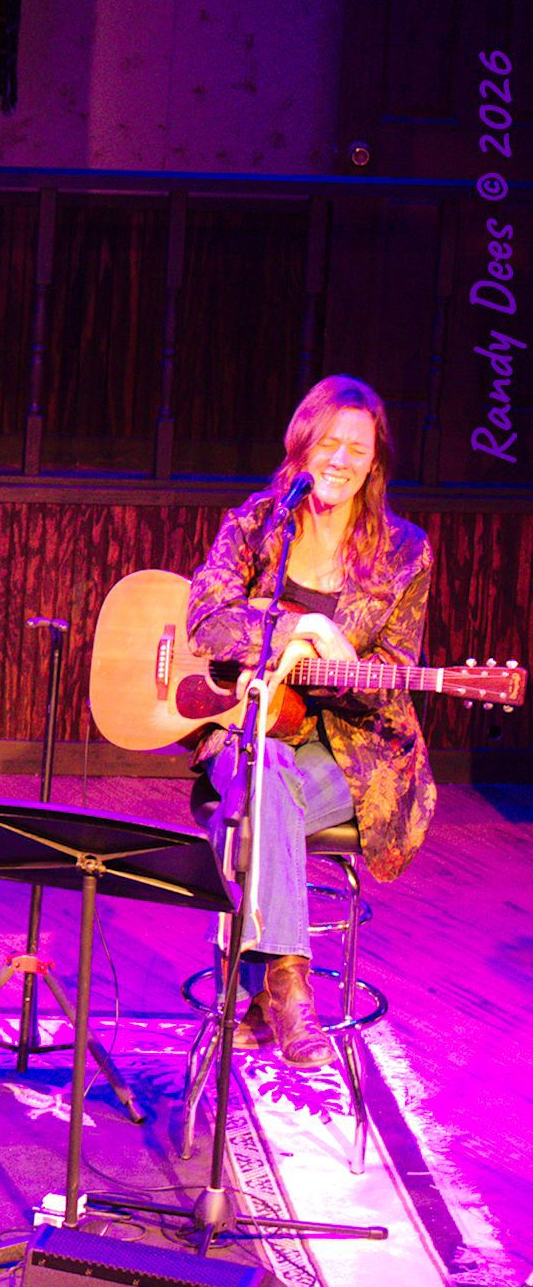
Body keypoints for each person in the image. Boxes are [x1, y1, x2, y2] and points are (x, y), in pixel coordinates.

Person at [186, 375, 436, 1069]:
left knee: (255, 799)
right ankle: (288, 987)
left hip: (350, 751)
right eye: (329, 442)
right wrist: (300, 625)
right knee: (261, 773)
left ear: (375, 461)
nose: (341, 459)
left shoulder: (405, 551)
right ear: (302, 446)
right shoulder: (259, 520)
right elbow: (205, 615)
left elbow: (395, 673)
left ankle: (267, 990)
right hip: (248, 729)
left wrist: (343, 655)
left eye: (358, 448)